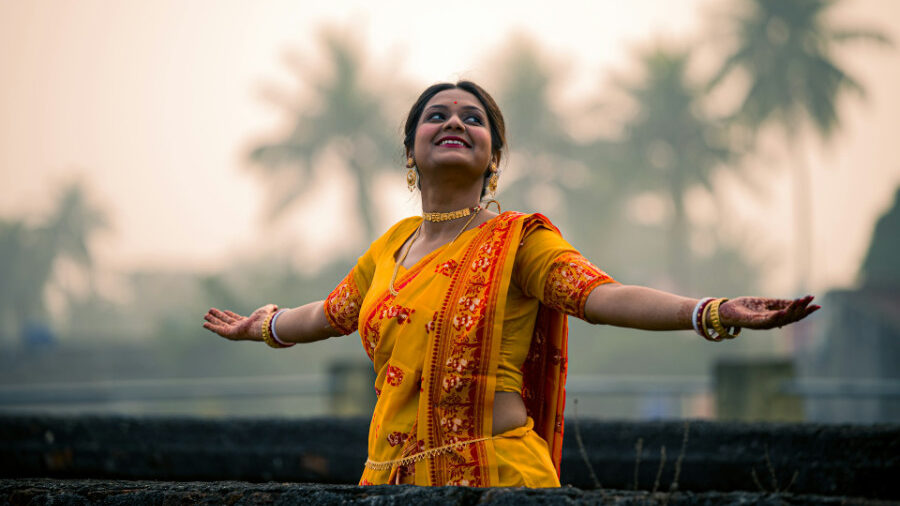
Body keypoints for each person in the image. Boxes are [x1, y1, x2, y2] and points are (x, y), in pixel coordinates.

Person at [203, 81, 819, 488]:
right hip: (389, 481)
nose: (454, 122)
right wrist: (260, 325)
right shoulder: (389, 248)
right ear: (411, 152)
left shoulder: (516, 240)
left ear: (492, 155)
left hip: (496, 480)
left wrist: (709, 311)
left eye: (474, 119)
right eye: (436, 115)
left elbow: (601, 296)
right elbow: (329, 315)